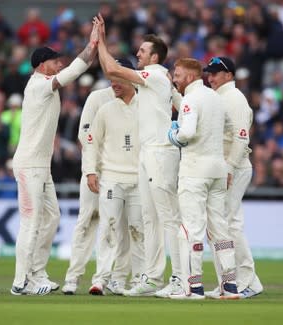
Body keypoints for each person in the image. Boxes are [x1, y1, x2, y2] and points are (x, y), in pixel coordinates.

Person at [10, 20, 99, 296]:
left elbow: (75, 68)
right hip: (28, 165)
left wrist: (96, 46)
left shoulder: (46, 84)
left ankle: (37, 274)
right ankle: (21, 282)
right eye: (54, 61)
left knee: (51, 217)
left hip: (41, 166)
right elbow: (72, 72)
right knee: (32, 221)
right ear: (41, 65)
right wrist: (91, 44)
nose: (59, 65)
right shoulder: (38, 84)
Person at [95, 14, 182, 297]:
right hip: (148, 152)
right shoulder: (157, 80)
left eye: (142, 51)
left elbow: (111, 68)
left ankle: (181, 278)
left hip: (160, 152)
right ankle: (153, 278)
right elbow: (182, 105)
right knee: (149, 218)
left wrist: (101, 41)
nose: (137, 54)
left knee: (167, 217)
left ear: (154, 57)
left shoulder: (155, 74)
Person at [168, 58, 240, 299]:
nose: (174, 79)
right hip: (218, 171)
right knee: (220, 229)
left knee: (191, 228)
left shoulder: (190, 99)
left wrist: (174, 135)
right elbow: (232, 128)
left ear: (189, 77)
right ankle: (229, 285)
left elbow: (187, 133)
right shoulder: (217, 99)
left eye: (177, 75)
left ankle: (193, 287)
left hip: (195, 171)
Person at [203, 56, 263, 299]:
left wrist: (228, 168)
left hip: (234, 167)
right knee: (224, 224)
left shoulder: (234, 98)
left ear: (229, 75)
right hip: (226, 167)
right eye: (209, 72)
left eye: (216, 73)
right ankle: (230, 282)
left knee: (227, 224)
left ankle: (245, 281)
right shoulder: (219, 97)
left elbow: (241, 138)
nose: (210, 77)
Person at [84, 59, 145, 296]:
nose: (113, 84)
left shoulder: (146, 105)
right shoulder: (106, 108)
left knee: (138, 230)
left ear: (130, 77)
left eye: (117, 78)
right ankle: (101, 279)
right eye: (110, 79)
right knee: (109, 228)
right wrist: (90, 171)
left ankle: (139, 279)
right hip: (111, 177)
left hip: (140, 179)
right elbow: (91, 142)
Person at [61, 85, 115, 295]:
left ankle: (103, 279)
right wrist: (93, 168)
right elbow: (84, 134)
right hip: (95, 170)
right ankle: (72, 278)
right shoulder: (97, 97)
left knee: (112, 226)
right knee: (86, 222)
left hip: (120, 174)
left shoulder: (137, 99)